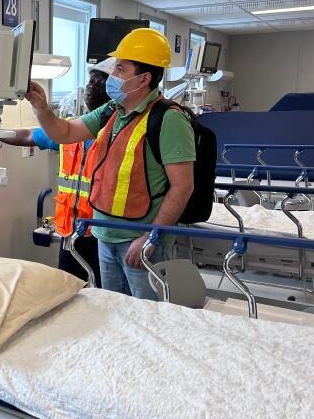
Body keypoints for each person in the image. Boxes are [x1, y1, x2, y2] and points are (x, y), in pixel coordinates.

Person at [24, 29, 195, 301]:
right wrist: (41, 108)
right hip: (104, 234)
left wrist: (151, 238)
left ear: (144, 78)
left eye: (120, 68)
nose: (112, 75)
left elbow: (182, 186)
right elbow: (65, 133)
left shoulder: (169, 119)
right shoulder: (112, 112)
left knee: (145, 317)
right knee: (113, 310)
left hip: (140, 241)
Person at [0, 58, 115, 285]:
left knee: (105, 297)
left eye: (99, 82)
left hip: (105, 235)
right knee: (68, 292)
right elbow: (27, 137)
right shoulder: (65, 131)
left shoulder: (121, 136)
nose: (91, 87)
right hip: (71, 232)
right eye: (91, 81)